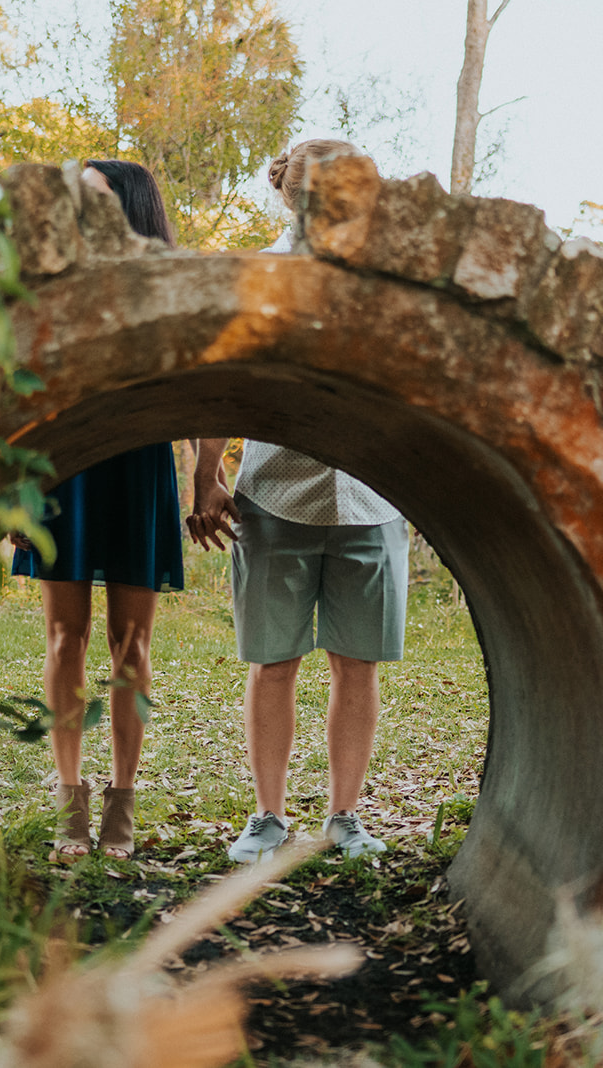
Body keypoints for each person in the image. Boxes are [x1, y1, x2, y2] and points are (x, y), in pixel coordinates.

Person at [187, 139, 408, 864]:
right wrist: (206, 473)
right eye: (319, 184)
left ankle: (346, 817)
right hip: (274, 494)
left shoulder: (385, 284)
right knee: (274, 663)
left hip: (371, 501)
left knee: (357, 665)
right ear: (290, 192)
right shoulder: (261, 273)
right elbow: (225, 380)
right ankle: (268, 819)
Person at [11, 160, 184, 859]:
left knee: (131, 649)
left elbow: (199, 376)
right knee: (64, 640)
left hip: (140, 465)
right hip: (64, 469)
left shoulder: (167, 280)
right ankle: (69, 799)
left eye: (97, 193)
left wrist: (205, 473)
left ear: (131, 206)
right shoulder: (51, 277)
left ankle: (122, 800)